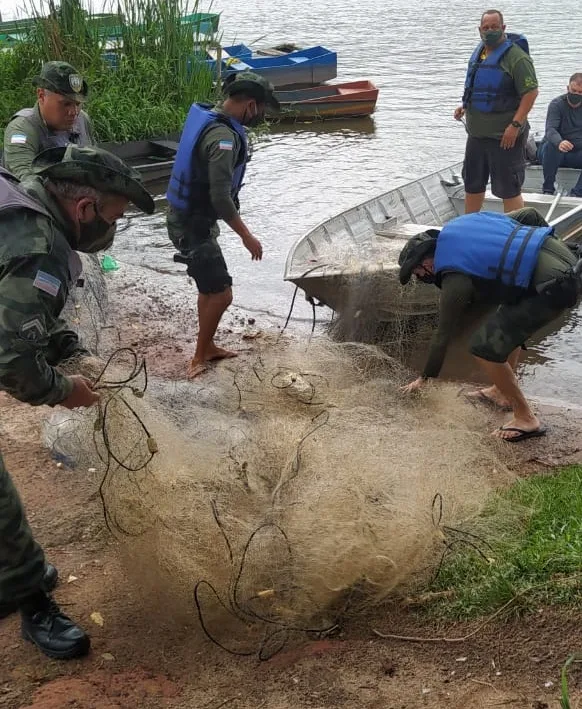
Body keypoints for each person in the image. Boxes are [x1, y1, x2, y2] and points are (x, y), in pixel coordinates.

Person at [0, 145, 154, 659]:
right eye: (115, 214)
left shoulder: (25, 204)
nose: (114, 226)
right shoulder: (38, 243)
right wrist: (67, 392)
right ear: (85, 208)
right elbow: (10, 361)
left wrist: (66, 346)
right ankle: (31, 600)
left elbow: (26, 310)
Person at [398, 208, 580, 442]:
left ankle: (525, 418)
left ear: (428, 261)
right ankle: (501, 392)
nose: (422, 275)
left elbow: (443, 335)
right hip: (571, 259)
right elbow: (531, 215)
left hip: (555, 286)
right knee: (505, 321)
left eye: (418, 269)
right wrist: (548, 252)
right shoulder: (461, 227)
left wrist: (425, 378)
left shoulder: (453, 276)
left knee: (483, 348)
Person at [166, 71, 280, 378]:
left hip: (191, 220)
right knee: (222, 294)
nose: (261, 115)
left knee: (210, 288)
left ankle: (208, 346)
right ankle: (198, 357)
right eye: (262, 110)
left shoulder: (215, 121)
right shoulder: (223, 139)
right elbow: (220, 198)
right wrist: (247, 236)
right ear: (251, 106)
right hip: (192, 226)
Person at [454, 9, 539, 214]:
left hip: (505, 136)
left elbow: (531, 93)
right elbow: (478, 87)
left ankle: (513, 231)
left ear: (503, 28)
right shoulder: (480, 53)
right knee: (472, 183)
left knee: (508, 188)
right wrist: (464, 106)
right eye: (486, 27)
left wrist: (515, 125)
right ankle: (470, 226)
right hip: (476, 135)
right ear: (479, 30)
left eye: (494, 27)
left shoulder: (517, 58)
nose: (490, 31)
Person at [2, 61, 95, 181]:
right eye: (66, 104)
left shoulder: (82, 120)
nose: (74, 112)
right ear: (41, 96)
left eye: (78, 104)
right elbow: (27, 182)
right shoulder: (22, 129)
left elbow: (97, 166)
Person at [538, 72, 582, 197]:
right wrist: (560, 142)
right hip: (552, 153)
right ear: (568, 88)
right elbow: (551, 129)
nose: (577, 95)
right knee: (551, 146)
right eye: (574, 91)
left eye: (580, 92)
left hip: (575, 153)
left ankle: (577, 194)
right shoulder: (556, 104)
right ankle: (548, 188)